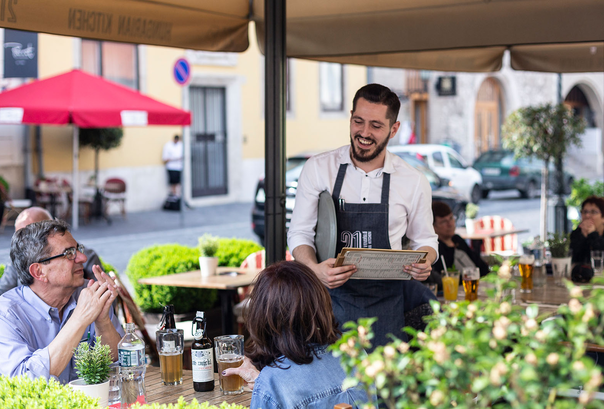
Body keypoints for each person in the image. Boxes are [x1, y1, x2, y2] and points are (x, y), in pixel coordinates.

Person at [287, 83, 438, 347]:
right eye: (358, 121)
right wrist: (313, 269)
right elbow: (300, 233)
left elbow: (425, 239)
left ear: (394, 129)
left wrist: (424, 262)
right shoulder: (319, 169)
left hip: (387, 309)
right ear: (350, 117)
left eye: (376, 126)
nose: (364, 133)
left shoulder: (412, 181)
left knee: (385, 387)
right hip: (327, 303)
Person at [222, 261, 376, 409]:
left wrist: (267, 387)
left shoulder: (272, 383)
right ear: (320, 303)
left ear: (262, 317)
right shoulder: (355, 353)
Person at [0, 219, 124, 383]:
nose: (82, 257)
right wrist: (80, 319)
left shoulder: (89, 294)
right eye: (69, 253)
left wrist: (103, 321)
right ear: (39, 271)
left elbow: (120, 364)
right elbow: (25, 382)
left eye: (78, 249)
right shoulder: (7, 314)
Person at [0, 207, 102, 296]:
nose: (25, 244)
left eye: (35, 234)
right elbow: (3, 291)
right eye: (20, 237)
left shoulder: (86, 256)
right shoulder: (19, 256)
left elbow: (104, 297)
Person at [429, 201, 489, 289]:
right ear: (433, 227)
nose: (450, 224)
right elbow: (443, 280)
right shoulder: (435, 249)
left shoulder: (457, 240)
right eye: (443, 222)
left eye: (451, 218)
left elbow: (480, 265)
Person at [570, 196, 604, 265]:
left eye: (593, 212)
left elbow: (600, 256)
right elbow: (573, 260)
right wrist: (583, 236)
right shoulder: (576, 233)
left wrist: (592, 234)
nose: (587, 215)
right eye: (585, 212)